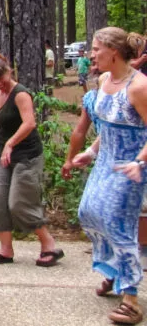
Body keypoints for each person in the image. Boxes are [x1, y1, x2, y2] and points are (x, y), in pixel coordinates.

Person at [65, 28, 147, 325]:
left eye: (96, 49)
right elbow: (108, 125)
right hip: (105, 162)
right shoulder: (103, 81)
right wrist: (90, 151)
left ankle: (131, 300)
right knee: (89, 212)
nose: (92, 55)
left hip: (130, 166)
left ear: (113, 52)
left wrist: (139, 162)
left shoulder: (139, 87)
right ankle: (115, 272)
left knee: (116, 222)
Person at [0, 55, 63, 268]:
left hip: (27, 155)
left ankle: (49, 245)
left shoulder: (21, 94)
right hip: (2, 156)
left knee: (18, 203)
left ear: (9, 72)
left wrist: (11, 144)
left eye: (0, 78)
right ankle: (5, 250)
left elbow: (29, 123)